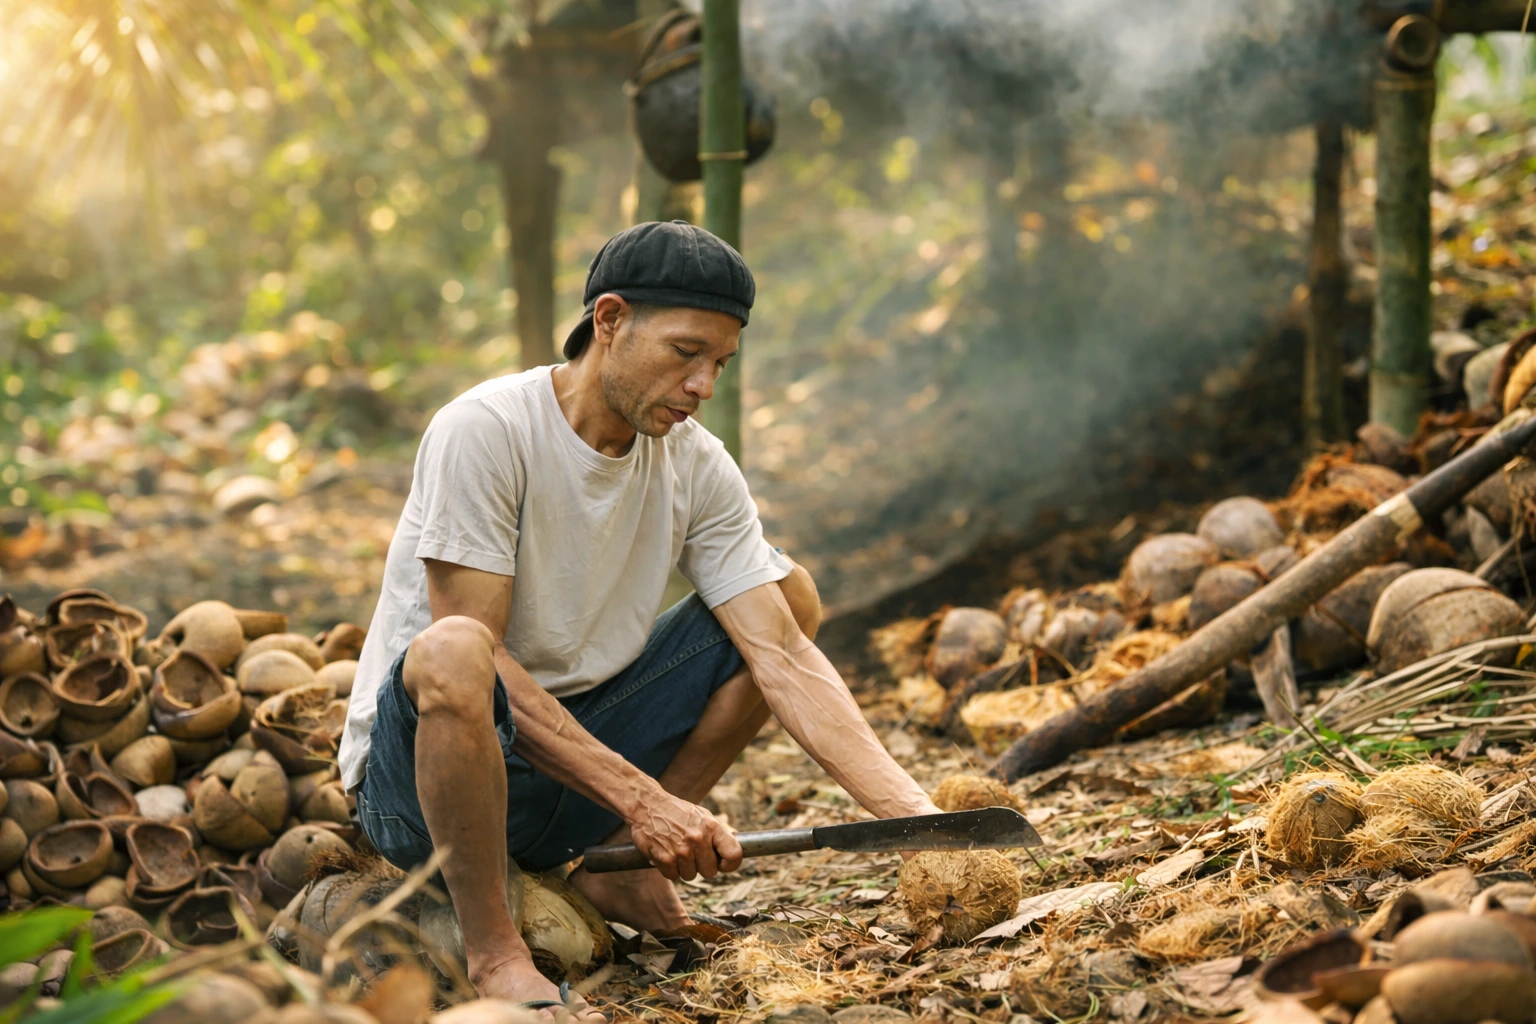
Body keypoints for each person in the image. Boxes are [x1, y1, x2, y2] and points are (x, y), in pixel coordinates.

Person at [337, 221, 942, 1021]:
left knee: (786, 594)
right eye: (686, 352)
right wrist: (646, 799)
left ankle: (621, 866)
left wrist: (921, 819)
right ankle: (494, 949)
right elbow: (478, 661)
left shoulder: (695, 459)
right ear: (611, 320)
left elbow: (784, 654)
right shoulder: (486, 429)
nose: (704, 385)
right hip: (426, 791)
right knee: (453, 651)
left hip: (575, 772)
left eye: (720, 363)